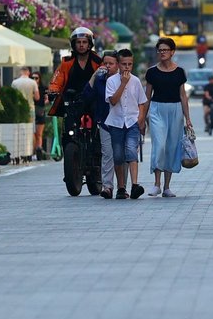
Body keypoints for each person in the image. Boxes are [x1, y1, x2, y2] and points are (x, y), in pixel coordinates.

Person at [143, 38, 193, 198]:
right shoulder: (152, 72)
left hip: (176, 110)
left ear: (172, 52)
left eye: (165, 50)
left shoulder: (179, 72)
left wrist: (188, 119)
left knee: (172, 146)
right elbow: (147, 96)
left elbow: (183, 96)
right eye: (160, 50)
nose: (162, 53)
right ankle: (156, 184)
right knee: (159, 145)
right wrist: (142, 117)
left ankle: (166, 187)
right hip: (157, 109)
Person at [105, 49, 147, 200]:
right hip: (116, 123)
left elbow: (142, 102)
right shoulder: (111, 81)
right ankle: (121, 187)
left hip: (132, 122)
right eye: (124, 64)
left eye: (130, 64)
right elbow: (113, 101)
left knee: (131, 151)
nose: (127, 67)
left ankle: (135, 185)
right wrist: (123, 84)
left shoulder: (136, 81)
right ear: (118, 64)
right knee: (118, 156)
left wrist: (140, 119)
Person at [82, 51, 120, 199]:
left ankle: (122, 186)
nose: (108, 66)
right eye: (105, 63)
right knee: (107, 154)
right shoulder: (99, 80)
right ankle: (107, 186)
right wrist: (94, 76)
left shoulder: (123, 80)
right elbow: (86, 96)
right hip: (104, 122)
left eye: (111, 63)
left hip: (121, 123)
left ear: (117, 65)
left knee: (121, 155)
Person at [48, 27, 103, 117]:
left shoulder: (98, 62)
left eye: (84, 42)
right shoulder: (66, 62)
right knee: (69, 122)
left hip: (93, 101)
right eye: (78, 42)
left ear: (89, 44)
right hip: (71, 101)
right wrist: (52, 91)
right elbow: (57, 80)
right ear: (74, 44)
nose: (81, 45)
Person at [33, 72, 48, 157]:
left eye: (36, 78)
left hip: (40, 109)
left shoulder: (43, 88)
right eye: (33, 78)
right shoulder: (30, 86)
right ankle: (33, 151)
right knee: (33, 133)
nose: (34, 80)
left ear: (39, 79)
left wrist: (43, 103)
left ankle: (38, 151)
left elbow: (47, 98)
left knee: (39, 133)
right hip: (31, 109)